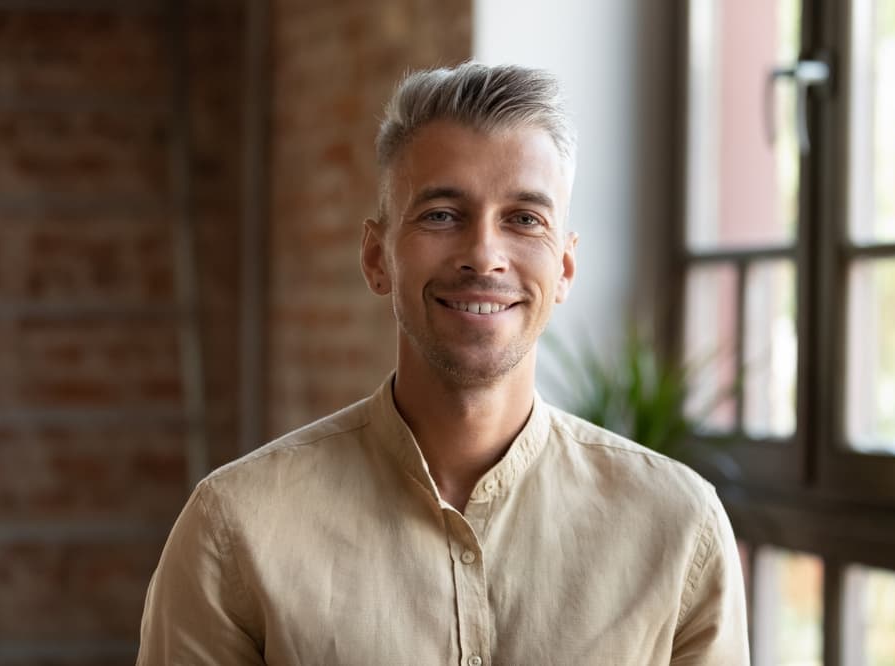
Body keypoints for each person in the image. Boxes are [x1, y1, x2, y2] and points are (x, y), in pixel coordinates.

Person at [137, 62, 749, 665]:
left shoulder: (679, 529)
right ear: (377, 258)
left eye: (524, 219)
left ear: (564, 267)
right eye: (441, 215)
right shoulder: (234, 528)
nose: (484, 255)